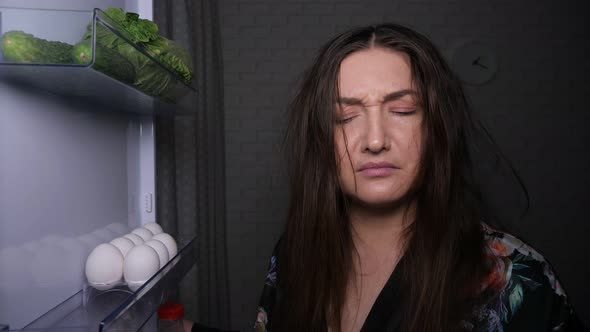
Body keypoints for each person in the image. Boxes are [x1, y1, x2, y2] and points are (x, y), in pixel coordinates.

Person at [190, 23, 587, 332]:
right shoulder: (296, 253)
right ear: (320, 140)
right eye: (345, 117)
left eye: (403, 110)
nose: (375, 140)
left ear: (436, 128)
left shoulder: (513, 274)